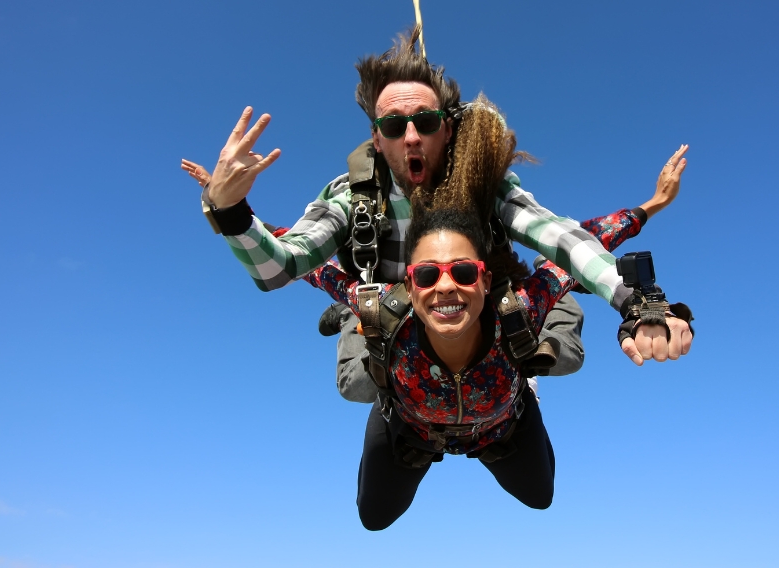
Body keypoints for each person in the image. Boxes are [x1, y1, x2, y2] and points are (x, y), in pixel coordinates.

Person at [189, 30, 693, 393]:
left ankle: (511, 381)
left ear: (445, 131)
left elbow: (561, 236)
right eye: (393, 126)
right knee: (360, 383)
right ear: (376, 138)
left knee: (566, 355)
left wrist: (634, 299)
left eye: (425, 121)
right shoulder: (352, 196)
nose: (410, 136)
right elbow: (282, 265)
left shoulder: (481, 186)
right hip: (393, 309)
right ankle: (357, 316)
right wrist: (231, 210)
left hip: (475, 310)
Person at [293, 99, 692, 528]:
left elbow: (585, 242)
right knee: (367, 468)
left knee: (542, 487)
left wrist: (648, 286)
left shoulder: (514, 310)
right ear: (409, 284)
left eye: (463, 272)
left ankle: (536, 346)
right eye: (427, 275)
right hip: (412, 429)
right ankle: (356, 320)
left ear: (484, 279)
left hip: (498, 426)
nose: (446, 285)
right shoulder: (392, 310)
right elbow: (308, 264)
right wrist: (230, 213)